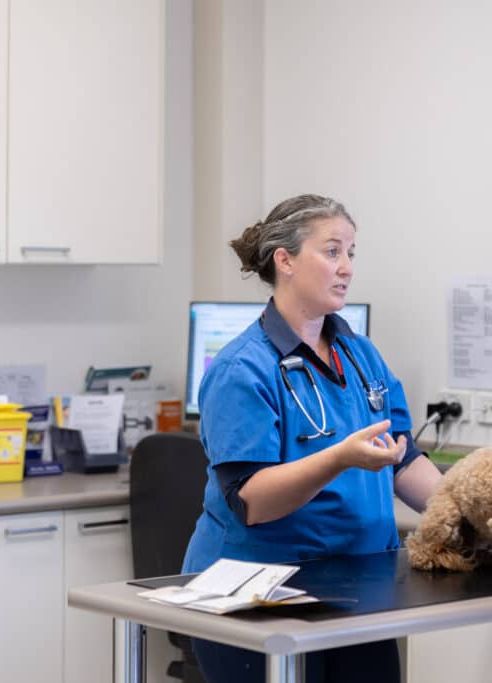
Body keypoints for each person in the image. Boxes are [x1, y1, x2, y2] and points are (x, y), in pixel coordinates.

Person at [182, 193, 443, 683]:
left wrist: (468, 510)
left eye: (351, 253)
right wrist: (338, 458)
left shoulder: (362, 355)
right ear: (285, 261)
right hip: (258, 595)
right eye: (332, 252)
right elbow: (252, 499)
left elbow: (402, 456)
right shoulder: (243, 369)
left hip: (358, 589)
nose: (346, 267)